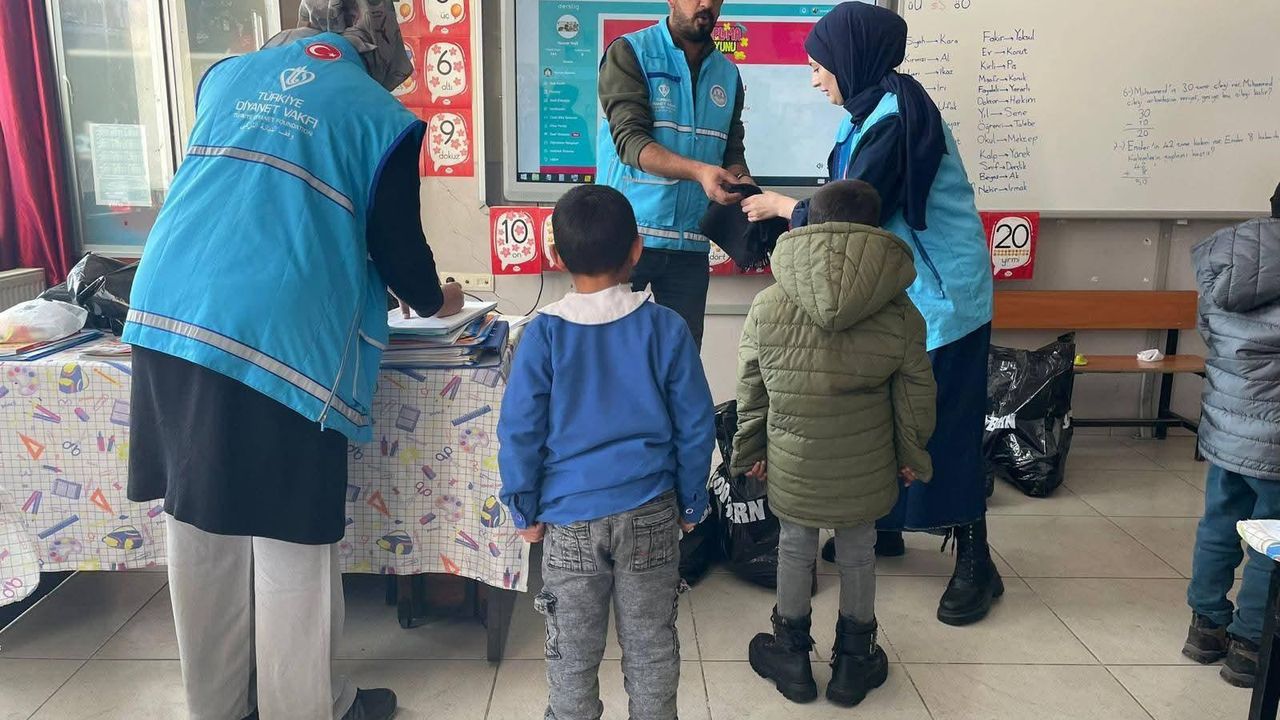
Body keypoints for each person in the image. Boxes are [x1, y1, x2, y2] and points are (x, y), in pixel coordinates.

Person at [121, 2, 463, 719]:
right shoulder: (381, 117)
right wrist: (440, 299)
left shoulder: (225, 75)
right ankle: (307, 708)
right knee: (289, 537)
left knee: (198, 525)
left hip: (167, 310)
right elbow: (401, 257)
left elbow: (246, 200)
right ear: (382, 44)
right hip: (276, 335)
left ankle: (218, 706)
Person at [741, 2, 998, 626]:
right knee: (882, 414)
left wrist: (779, 206)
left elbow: (855, 210)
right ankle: (883, 528)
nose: (814, 80)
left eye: (818, 66)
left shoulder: (895, 119)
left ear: (850, 59)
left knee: (943, 428)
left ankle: (977, 564)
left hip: (941, 300)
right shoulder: (870, 113)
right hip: (897, 295)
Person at [498, 184, 716, 720]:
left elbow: (520, 430)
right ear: (637, 250)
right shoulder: (666, 327)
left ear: (555, 255)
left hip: (569, 518)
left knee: (571, 653)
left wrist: (524, 508)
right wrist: (692, 503)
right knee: (652, 643)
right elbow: (696, 425)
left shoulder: (541, 335)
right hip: (651, 512)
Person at [731, 180, 936, 707]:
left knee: (794, 547)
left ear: (807, 224)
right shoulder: (900, 312)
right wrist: (912, 454)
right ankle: (854, 662)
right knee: (859, 550)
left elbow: (752, 389)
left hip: (793, 460)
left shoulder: (768, 305)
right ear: (875, 230)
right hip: (865, 463)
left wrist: (750, 451)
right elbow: (915, 394)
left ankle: (791, 657)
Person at [597, 0, 753, 347]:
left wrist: (743, 180)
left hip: (690, 244)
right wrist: (700, 172)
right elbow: (631, 142)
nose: (706, 4)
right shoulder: (630, 53)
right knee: (611, 354)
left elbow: (732, 150)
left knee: (682, 359)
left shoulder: (728, 74)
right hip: (627, 239)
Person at [1181, 183, 1280, 689]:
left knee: (1220, 523)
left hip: (1226, 429)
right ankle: (1249, 645)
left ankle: (1205, 626)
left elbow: (1212, 333)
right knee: (1272, 539)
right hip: (1275, 440)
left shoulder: (1229, 258)